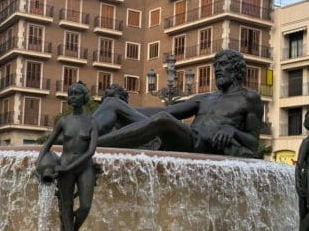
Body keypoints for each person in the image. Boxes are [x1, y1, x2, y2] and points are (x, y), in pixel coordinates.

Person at [96, 49, 263, 157]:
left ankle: (94, 146)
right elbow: (168, 111)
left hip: (204, 145)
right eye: (216, 65)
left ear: (236, 69)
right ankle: (82, 137)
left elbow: (253, 144)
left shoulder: (249, 98)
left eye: (223, 64)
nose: (217, 69)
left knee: (164, 120)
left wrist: (233, 131)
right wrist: (124, 109)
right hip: (187, 135)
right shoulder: (205, 98)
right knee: (113, 103)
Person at [36, 82, 98, 231]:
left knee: (85, 206)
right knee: (66, 204)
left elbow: (91, 152)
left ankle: (75, 230)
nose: (73, 96)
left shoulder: (92, 122)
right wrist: (38, 164)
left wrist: (68, 167)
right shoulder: (63, 121)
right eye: (71, 94)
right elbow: (47, 144)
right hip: (64, 166)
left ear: (85, 97)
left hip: (84, 167)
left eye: (78, 93)